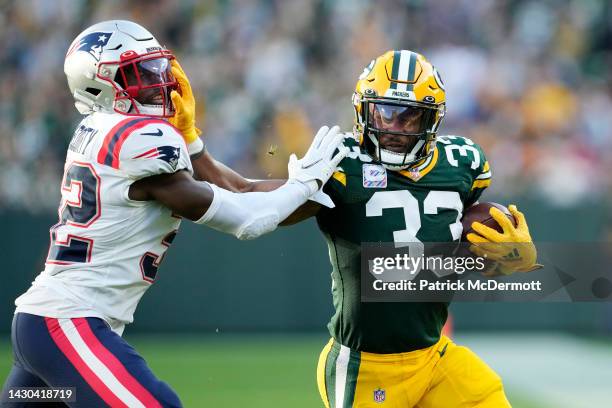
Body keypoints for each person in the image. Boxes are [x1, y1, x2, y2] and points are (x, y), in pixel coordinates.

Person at [0, 20, 347, 408]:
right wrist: (301, 184)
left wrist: (192, 139)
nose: (159, 80)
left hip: (43, 325)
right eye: (140, 73)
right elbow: (246, 218)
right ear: (98, 85)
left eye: (157, 67)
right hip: (68, 324)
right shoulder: (137, 139)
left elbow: (236, 190)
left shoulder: (99, 131)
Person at [284, 50, 539, 407]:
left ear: (432, 119)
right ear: (364, 109)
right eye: (384, 113)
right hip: (367, 362)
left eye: (409, 117)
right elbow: (277, 210)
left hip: (434, 355)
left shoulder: (461, 163)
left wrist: (510, 258)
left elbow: (457, 242)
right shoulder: (342, 160)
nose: (394, 128)